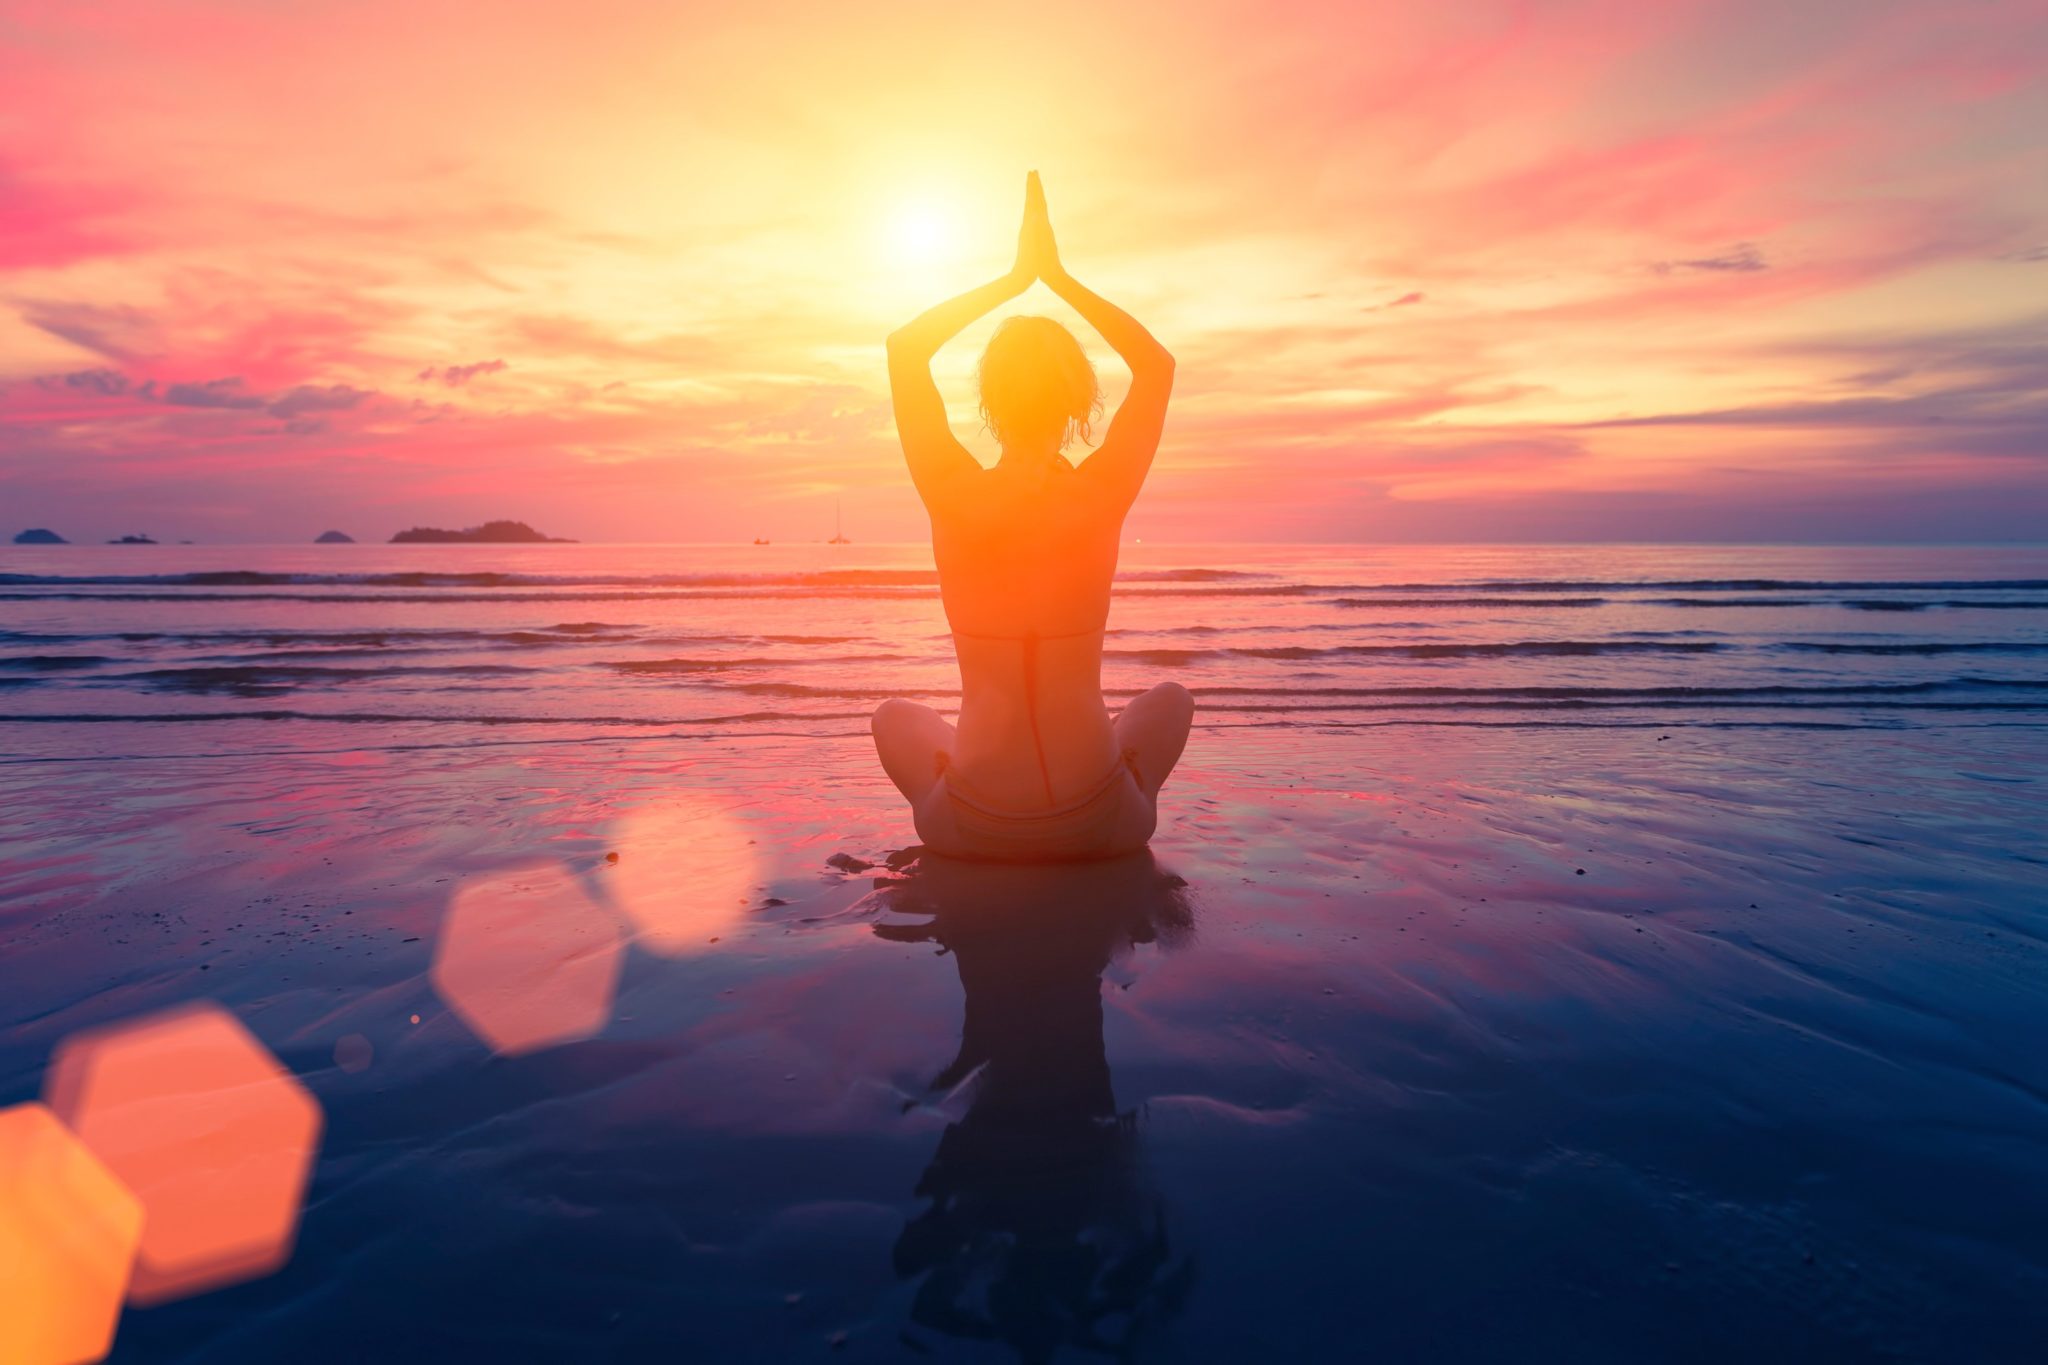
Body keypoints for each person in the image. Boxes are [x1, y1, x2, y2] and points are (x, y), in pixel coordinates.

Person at [872, 171, 1193, 861]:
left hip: (974, 827)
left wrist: (1014, 279)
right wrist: (1059, 277)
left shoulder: (951, 489)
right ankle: (1128, 777)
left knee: (895, 718)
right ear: (1079, 401)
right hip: (1102, 823)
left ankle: (962, 777)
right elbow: (1156, 366)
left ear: (989, 398)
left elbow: (905, 348)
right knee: (1167, 700)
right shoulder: (1100, 492)